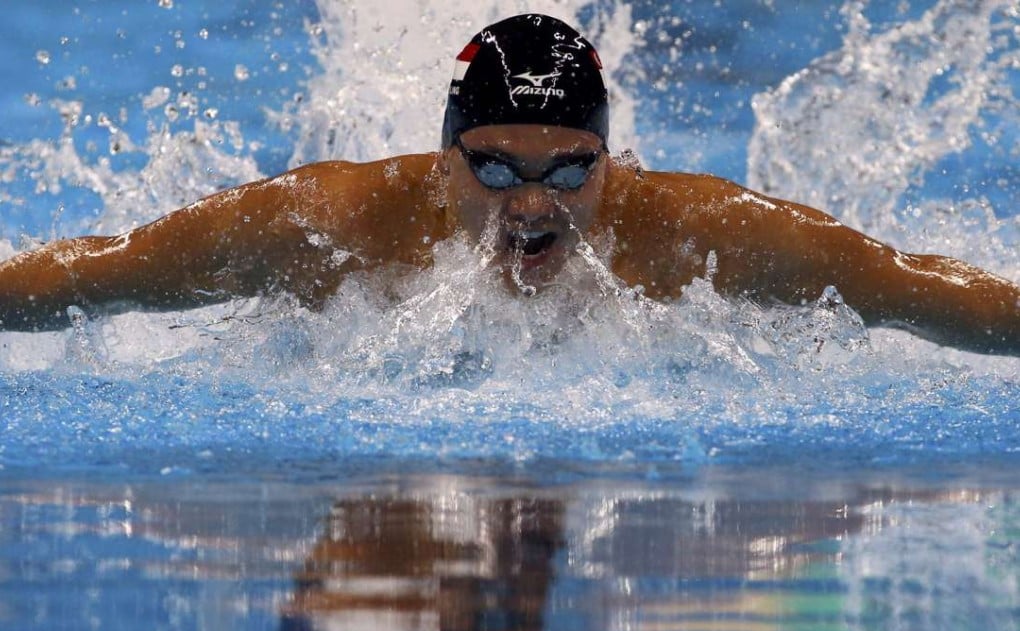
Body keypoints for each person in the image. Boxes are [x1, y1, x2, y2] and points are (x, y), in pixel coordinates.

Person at [0, 14, 1017, 356]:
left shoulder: (696, 236)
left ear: (609, 168)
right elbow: (106, 271)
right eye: (493, 168)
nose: (531, 205)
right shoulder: (331, 224)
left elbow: (907, 285)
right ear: (443, 163)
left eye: (569, 172)